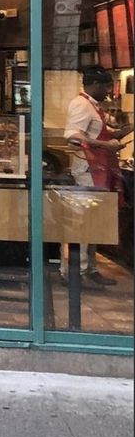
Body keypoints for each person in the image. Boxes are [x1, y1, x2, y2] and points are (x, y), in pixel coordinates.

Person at [60, 66, 132, 289]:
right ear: (95, 85)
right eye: (107, 86)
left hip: (100, 168)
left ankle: (89, 267)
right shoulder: (81, 104)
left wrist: (119, 132)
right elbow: (72, 136)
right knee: (85, 221)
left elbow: (97, 133)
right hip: (88, 170)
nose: (109, 91)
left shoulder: (94, 105)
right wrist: (106, 144)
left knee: (94, 221)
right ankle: (76, 270)